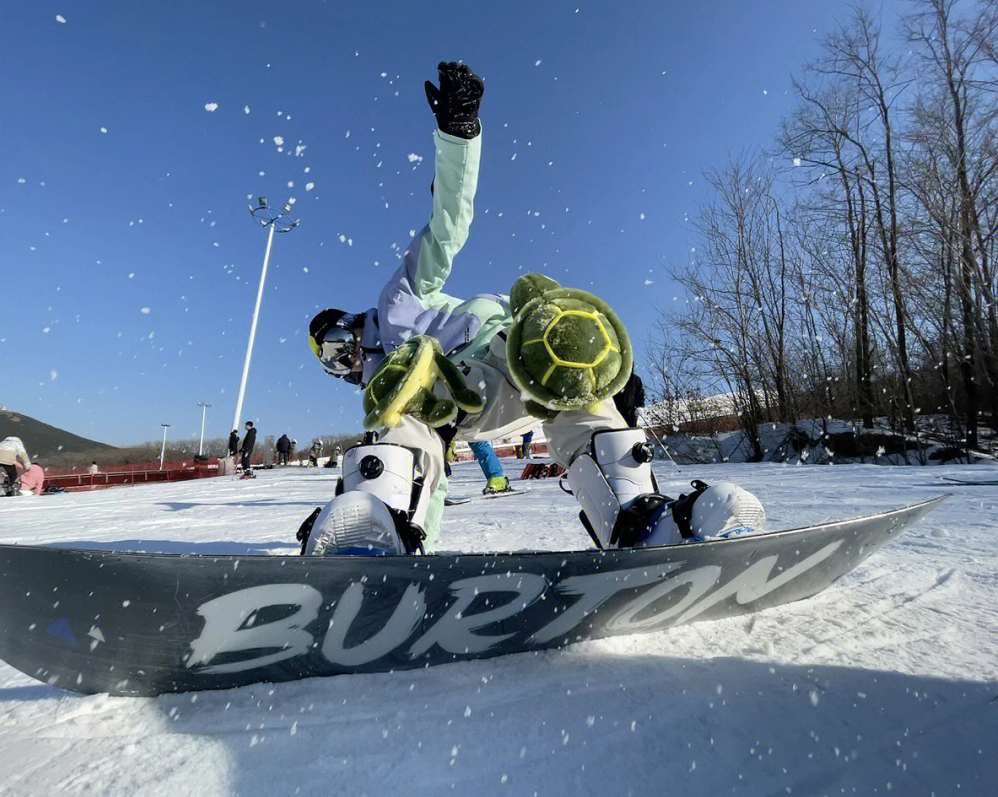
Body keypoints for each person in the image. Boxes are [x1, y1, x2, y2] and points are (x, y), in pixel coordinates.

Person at [297, 61, 766, 556]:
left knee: (568, 367)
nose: (342, 358)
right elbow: (430, 470)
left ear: (350, 325)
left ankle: (642, 522)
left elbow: (446, 228)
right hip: (459, 403)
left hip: (506, 355)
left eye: (336, 343)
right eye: (330, 361)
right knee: (401, 411)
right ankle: (382, 532)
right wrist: (418, 546)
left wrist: (459, 138)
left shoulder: (396, 303)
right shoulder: (383, 385)